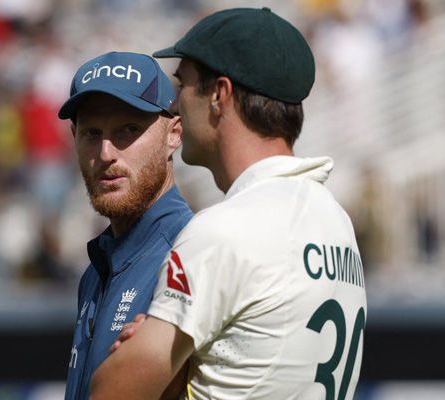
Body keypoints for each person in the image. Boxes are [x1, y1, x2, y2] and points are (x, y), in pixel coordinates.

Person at [90, 8, 367, 400]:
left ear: (219, 95)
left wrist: (157, 366)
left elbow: (110, 393)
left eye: (182, 84)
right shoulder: (336, 220)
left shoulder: (224, 230)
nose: (174, 106)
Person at [58, 51, 194, 400]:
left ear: (174, 134)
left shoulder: (193, 253)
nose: (105, 153)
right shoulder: (96, 269)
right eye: (91, 132)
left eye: (129, 129)